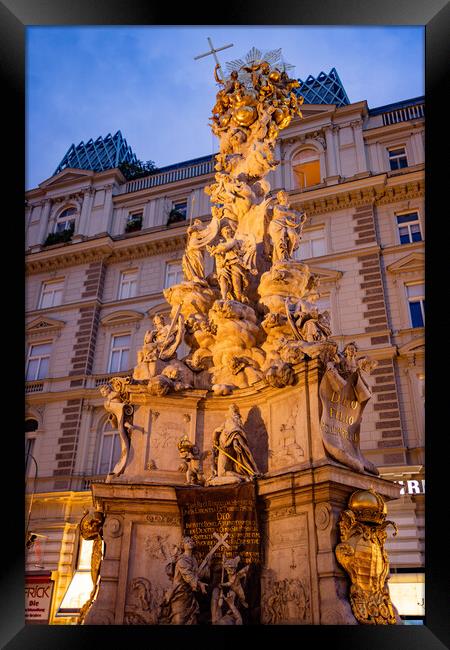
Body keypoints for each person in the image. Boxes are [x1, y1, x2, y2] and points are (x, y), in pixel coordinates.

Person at [160, 536, 209, 625]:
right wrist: (199, 584)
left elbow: (196, 575)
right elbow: (188, 576)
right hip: (179, 593)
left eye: (191, 541)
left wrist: (206, 566)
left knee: (191, 619)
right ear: (183, 545)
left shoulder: (193, 560)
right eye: (187, 541)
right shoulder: (182, 560)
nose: (190, 542)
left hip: (189, 594)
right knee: (179, 619)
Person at [212, 404, 259, 480]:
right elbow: (234, 432)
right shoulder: (236, 422)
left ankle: (244, 477)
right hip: (229, 448)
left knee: (222, 473)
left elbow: (234, 432)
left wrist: (234, 442)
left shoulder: (230, 420)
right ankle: (245, 477)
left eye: (232, 409)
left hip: (225, 448)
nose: (232, 411)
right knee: (226, 470)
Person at [268, 190, 307, 262]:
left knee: (293, 236)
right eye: (280, 196)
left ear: (287, 197)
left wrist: (302, 219)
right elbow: (280, 212)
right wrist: (291, 214)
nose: (282, 197)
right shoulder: (277, 207)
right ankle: (282, 256)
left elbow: (298, 221)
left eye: (283, 195)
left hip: (289, 225)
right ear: (279, 198)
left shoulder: (293, 211)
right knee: (281, 238)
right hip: (278, 224)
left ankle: (289, 255)